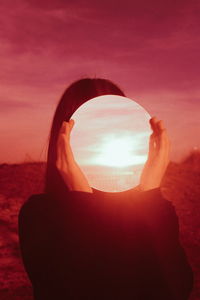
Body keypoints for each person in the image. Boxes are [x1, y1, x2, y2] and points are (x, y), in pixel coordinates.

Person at [18, 78, 193, 300]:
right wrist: (81, 203)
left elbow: (177, 290)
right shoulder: (39, 214)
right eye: (89, 133)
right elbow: (64, 289)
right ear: (65, 141)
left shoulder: (151, 211)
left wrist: (150, 195)